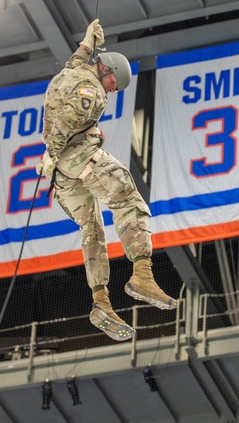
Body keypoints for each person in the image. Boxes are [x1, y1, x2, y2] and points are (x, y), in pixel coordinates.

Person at [36, 18, 176, 341]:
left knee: (92, 227)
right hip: (78, 158)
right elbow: (69, 118)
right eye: (115, 82)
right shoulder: (93, 92)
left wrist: (86, 43)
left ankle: (101, 301)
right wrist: (52, 153)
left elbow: (74, 65)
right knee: (127, 197)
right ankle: (142, 273)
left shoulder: (70, 74)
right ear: (106, 69)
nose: (113, 89)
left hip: (62, 179)